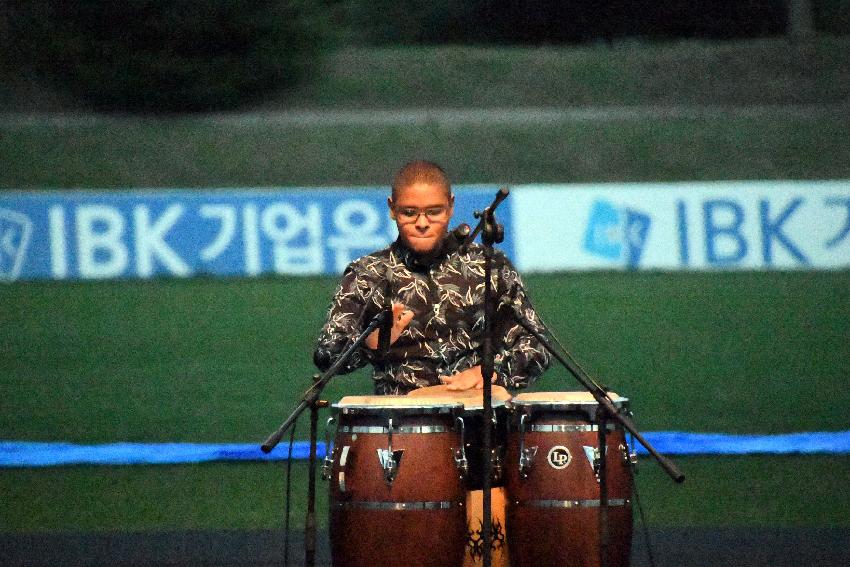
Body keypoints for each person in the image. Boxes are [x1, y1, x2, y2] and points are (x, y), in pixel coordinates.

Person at [313, 160, 550, 394]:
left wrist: (492, 372)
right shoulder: (368, 274)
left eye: (434, 212)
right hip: (399, 425)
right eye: (409, 213)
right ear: (392, 209)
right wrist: (369, 345)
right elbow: (326, 355)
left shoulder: (490, 266)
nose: (422, 223)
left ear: (451, 206)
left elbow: (537, 345)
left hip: (480, 420)